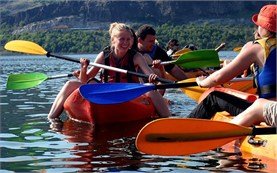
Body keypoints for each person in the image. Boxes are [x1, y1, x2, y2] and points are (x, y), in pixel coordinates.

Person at [48, 22, 171, 120]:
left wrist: (152, 77)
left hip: (129, 92)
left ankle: (167, 119)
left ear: (132, 41)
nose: (125, 43)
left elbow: (148, 73)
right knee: (70, 84)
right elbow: (84, 81)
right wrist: (83, 68)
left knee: (151, 88)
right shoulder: (104, 55)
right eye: (122, 39)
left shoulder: (136, 56)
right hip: (106, 91)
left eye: (128, 39)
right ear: (113, 40)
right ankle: (52, 119)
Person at [187, 4, 276, 123]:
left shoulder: (255, 47)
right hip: (269, 108)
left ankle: (180, 133)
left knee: (214, 97)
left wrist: (202, 82)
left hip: (268, 109)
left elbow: (218, 78)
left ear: (263, 27)